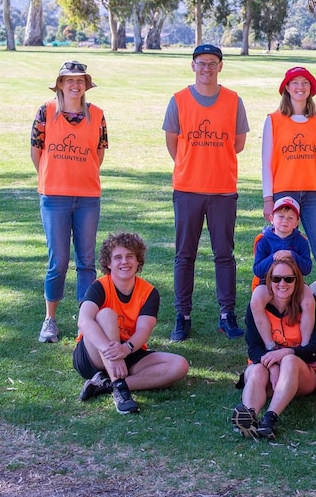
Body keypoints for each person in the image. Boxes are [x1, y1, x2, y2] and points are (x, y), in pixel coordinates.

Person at [163, 44, 249, 341]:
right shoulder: (179, 100)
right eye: (202, 63)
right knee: (184, 255)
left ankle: (227, 315)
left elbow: (238, 143)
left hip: (223, 189)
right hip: (187, 188)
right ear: (193, 66)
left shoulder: (233, 101)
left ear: (220, 66)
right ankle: (182, 315)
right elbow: (172, 142)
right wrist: (191, 165)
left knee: (224, 254)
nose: (207, 68)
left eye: (213, 63)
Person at [31, 61, 107, 343]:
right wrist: (54, 179)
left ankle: (85, 323)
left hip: (88, 197)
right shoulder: (46, 112)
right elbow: (36, 152)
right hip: (54, 197)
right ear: (60, 84)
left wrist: (81, 176)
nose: (75, 85)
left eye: (80, 80)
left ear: (86, 85)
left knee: (86, 261)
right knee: (58, 260)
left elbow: (98, 153)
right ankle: (50, 320)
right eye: (69, 80)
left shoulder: (97, 115)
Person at [74, 232, 189, 414]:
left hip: (129, 350)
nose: (124, 262)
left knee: (180, 365)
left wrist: (125, 349)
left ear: (138, 261)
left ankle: (105, 385)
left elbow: (144, 330)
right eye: (117, 257)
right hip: (94, 354)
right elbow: (84, 320)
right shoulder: (100, 286)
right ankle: (120, 392)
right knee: (105, 315)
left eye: (130, 257)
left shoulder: (149, 292)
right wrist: (113, 354)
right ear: (109, 264)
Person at [262, 66, 316, 298]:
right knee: (282, 254)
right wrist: (268, 198)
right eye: (294, 82)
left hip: (314, 195)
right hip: (284, 194)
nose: (300, 87)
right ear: (286, 87)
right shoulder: (274, 120)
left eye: (305, 82)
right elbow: (266, 163)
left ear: (311, 89)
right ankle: (282, 306)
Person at [231, 257, 316, 440]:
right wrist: (273, 366)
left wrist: (287, 352)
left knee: (290, 360)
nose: (282, 284)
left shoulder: (308, 305)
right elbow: (254, 348)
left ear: (296, 281)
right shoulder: (258, 307)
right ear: (269, 281)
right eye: (276, 279)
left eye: (289, 279)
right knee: (257, 369)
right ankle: (249, 417)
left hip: (302, 374)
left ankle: (270, 419)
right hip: (268, 373)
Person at [252, 196, 316, 362]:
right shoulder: (264, 241)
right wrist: (274, 259)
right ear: (271, 218)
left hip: (294, 283)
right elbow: (257, 270)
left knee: (308, 302)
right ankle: (269, 344)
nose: (285, 221)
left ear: (297, 222)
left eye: (290, 218)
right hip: (270, 284)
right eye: (281, 217)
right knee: (256, 301)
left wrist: (292, 255)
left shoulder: (300, 241)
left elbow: (306, 268)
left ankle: (305, 345)